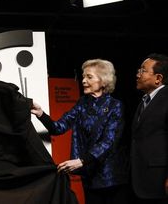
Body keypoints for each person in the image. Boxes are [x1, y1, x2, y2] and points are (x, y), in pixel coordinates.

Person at [31, 59, 129, 204]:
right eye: (83, 77)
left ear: (103, 81)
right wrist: (41, 114)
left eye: (89, 77)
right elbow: (58, 128)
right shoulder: (82, 103)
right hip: (89, 175)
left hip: (110, 177)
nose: (83, 81)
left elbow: (108, 142)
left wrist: (82, 161)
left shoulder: (116, 106)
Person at [130, 53, 168, 204]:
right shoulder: (145, 101)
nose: (138, 74)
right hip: (142, 181)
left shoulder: (167, 98)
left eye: (143, 71)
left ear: (158, 79)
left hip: (160, 181)